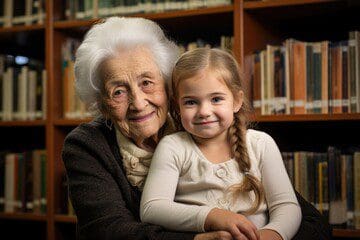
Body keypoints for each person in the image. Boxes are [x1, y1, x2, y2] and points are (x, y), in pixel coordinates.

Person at [62, 16, 332, 240]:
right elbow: (110, 233)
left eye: (147, 83)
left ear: (169, 86)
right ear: (101, 103)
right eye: (118, 91)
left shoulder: (204, 127)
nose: (138, 103)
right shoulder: (88, 145)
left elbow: (308, 221)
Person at [140, 48, 301, 240]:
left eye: (216, 99)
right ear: (177, 106)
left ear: (237, 101)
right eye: (191, 102)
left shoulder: (261, 144)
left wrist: (271, 235)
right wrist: (212, 217)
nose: (204, 111)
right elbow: (152, 208)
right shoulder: (173, 147)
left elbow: (286, 206)